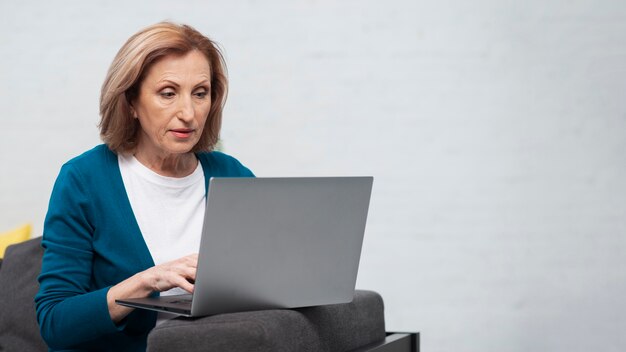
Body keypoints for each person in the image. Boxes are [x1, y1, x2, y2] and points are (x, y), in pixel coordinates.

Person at [35, 22, 254, 351]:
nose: (189, 113)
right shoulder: (84, 179)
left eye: (200, 93)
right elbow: (54, 322)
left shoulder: (233, 176)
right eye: (168, 93)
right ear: (131, 102)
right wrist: (147, 281)